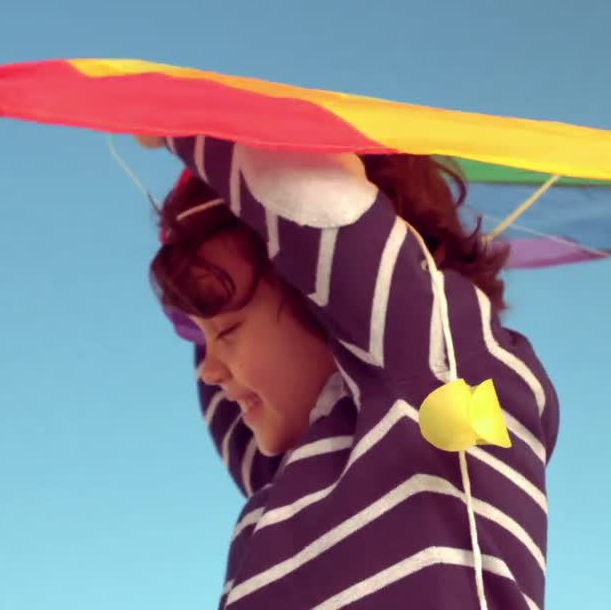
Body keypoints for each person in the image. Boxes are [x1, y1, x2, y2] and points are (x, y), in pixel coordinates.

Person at [142, 133, 559, 609]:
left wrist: (188, 128)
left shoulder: (440, 370)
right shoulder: (290, 478)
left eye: (230, 329)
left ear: (319, 291)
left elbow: (318, 207)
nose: (209, 370)